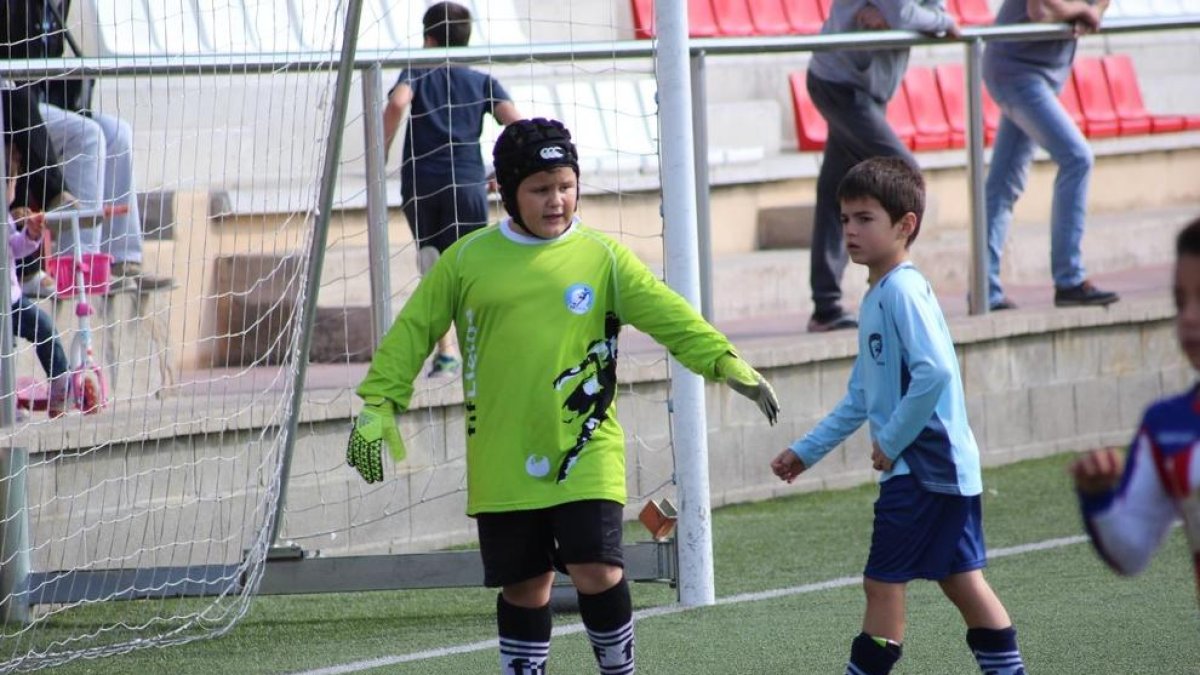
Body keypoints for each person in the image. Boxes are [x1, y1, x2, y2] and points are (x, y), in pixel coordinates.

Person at [347, 118, 780, 674]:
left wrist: (724, 361)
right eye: (540, 188)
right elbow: (411, 335)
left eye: (566, 185)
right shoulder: (466, 260)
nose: (556, 200)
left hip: (587, 446)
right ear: (504, 191)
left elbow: (669, 314)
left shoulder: (602, 257)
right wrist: (379, 405)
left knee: (596, 571)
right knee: (527, 586)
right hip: (502, 456)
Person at [771, 158, 1026, 674]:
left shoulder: (903, 290)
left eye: (864, 218)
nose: (850, 230)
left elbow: (933, 373)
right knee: (962, 581)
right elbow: (861, 396)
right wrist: (806, 452)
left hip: (924, 470)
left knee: (882, 583)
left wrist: (891, 440)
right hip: (939, 471)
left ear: (905, 225)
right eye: (844, 219)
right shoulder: (879, 293)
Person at [382, 1, 521, 377]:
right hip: (468, 183)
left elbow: (397, 103)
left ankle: (447, 353)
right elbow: (516, 123)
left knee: (434, 265)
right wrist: (509, 167)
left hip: (422, 184)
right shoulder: (480, 81)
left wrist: (380, 151)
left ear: (429, 40)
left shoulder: (417, 72)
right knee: (472, 266)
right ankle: (481, 349)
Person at [804, 1, 958, 333]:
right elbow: (906, 14)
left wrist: (921, 18)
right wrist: (939, 20)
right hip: (840, 82)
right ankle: (895, 289)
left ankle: (827, 306)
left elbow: (919, 10)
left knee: (837, 191)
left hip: (868, 87)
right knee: (904, 175)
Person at [0, 0, 173, 294]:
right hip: (14, 102)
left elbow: (49, 63)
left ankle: (123, 261)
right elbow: (16, 69)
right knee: (87, 135)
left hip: (45, 103)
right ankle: (79, 265)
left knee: (118, 132)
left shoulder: (56, 5)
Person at [1068, 215, 1200, 600]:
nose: (1188, 317)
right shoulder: (1167, 427)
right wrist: (1097, 496)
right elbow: (1130, 551)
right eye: (1180, 301)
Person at [982, 0, 1118, 310]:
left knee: (1004, 183)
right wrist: (1082, 11)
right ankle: (1069, 279)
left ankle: (984, 288)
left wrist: (1094, 9)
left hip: (1042, 74)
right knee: (1077, 158)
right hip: (1016, 72)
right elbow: (1039, 9)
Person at [5, 144, 69, 417]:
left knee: (45, 329)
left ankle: (60, 390)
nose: (15, 190)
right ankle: (6, 405)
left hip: (11, 298)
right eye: (13, 183)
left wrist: (30, 236)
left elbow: (13, 249)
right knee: (5, 354)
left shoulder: (5, 217)